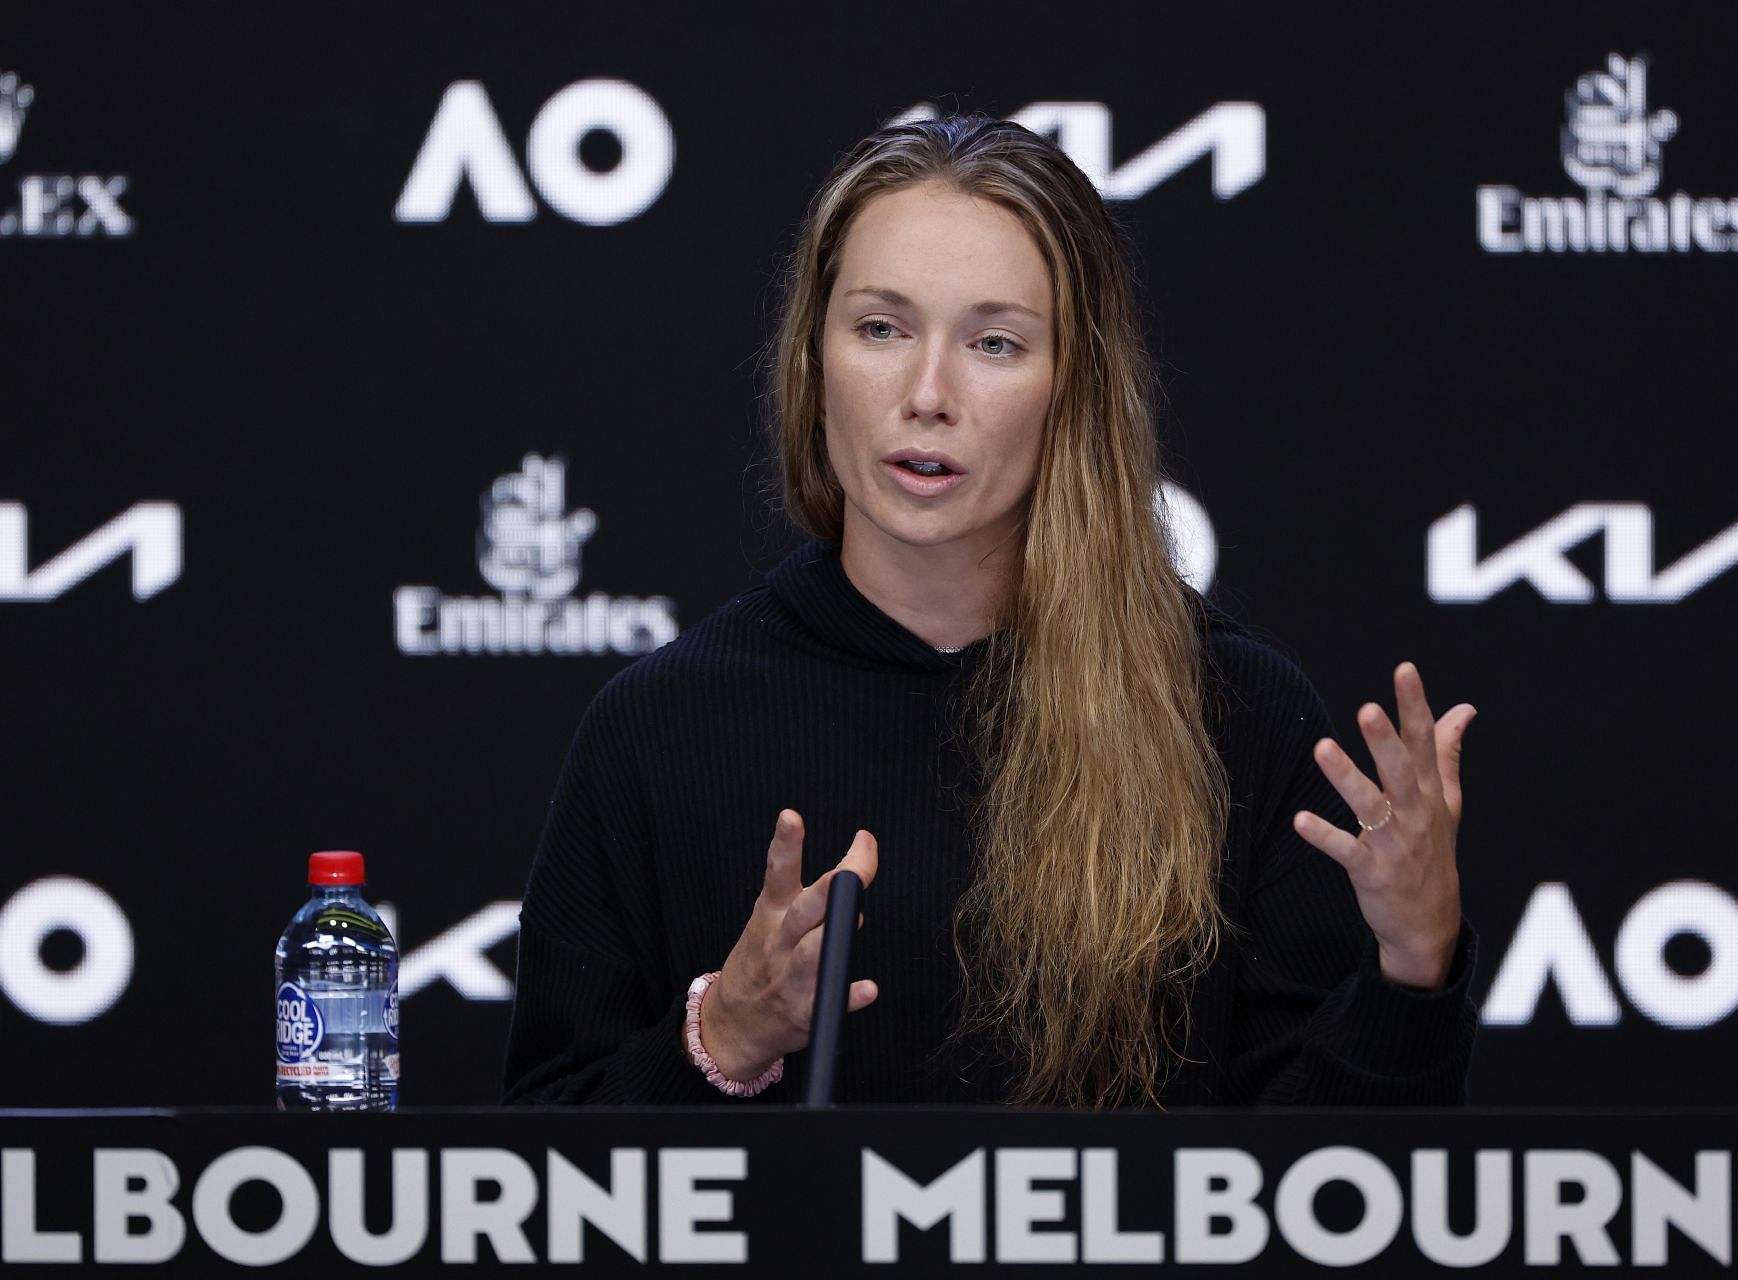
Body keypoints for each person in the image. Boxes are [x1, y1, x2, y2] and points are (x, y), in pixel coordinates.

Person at [502, 114, 1478, 1108]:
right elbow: (532, 1186)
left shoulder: (1240, 715)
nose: (928, 393)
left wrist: (1411, 964)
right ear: (812, 359)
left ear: (1075, 389)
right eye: (881, 327)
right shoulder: (655, 727)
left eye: (995, 342)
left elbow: (1330, 1209)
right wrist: (724, 1035)